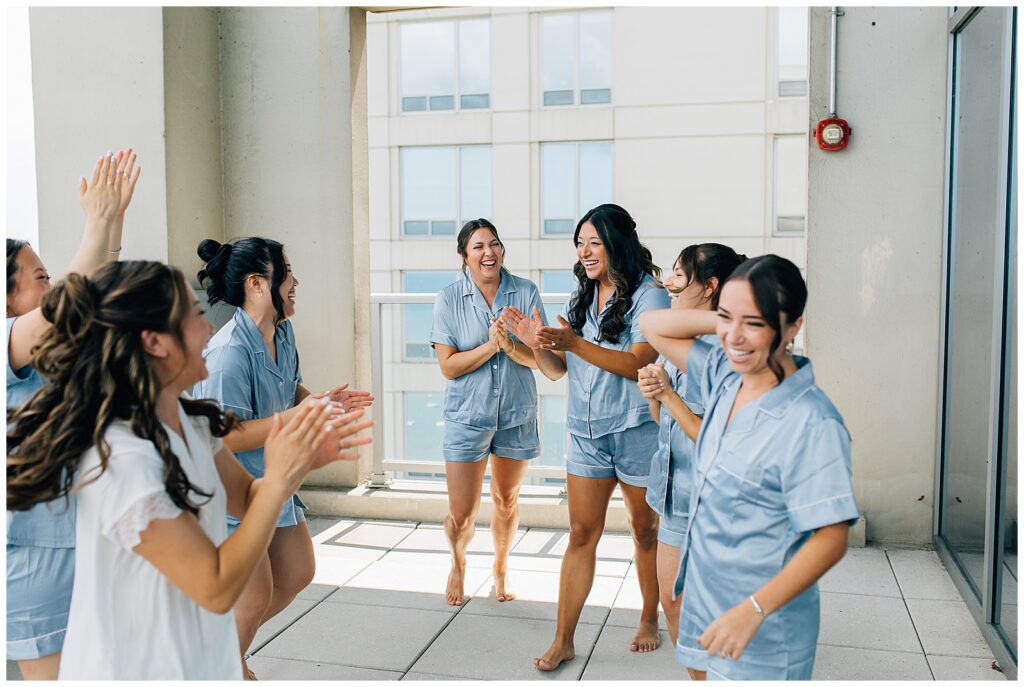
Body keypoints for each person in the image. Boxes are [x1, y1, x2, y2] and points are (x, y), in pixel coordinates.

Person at [7, 261, 367, 679]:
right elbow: (215, 587)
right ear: (155, 342)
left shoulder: (189, 420)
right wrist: (282, 476)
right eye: (195, 316)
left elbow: (250, 498)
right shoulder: (121, 459)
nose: (210, 332)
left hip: (194, 660)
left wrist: (300, 458)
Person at [639, 254, 858, 680]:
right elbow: (654, 326)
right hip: (706, 601)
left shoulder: (812, 421)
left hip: (763, 626)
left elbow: (831, 538)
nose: (734, 337)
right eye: (725, 317)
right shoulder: (725, 372)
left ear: (793, 327)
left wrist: (754, 610)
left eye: (754, 323)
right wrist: (730, 320)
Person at [192, 237, 374, 679]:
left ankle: (218, 647)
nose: (295, 282)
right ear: (257, 284)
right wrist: (298, 417)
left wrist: (323, 404)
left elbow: (289, 389)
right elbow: (223, 435)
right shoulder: (228, 353)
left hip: (273, 480)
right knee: (253, 597)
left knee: (297, 571)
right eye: (286, 273)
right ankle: (216, 664)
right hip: (230, 490)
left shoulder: (283, 330)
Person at [500, 203, 671, 670]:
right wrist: (532, 344)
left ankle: (649, 618)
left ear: (618, 244)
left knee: (644, 530)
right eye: (580, 242)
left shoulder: (651, 296)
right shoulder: (581, 299)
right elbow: (556, 371)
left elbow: (638, 362)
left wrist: (573, 342)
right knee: (580, 533)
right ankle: (564, 639)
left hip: (636, 430)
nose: (585, 250)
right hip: (586, 435)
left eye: (594, 242)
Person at [6, 149, 139, 680]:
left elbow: (94, 298)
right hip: (37, 565)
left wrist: (112, 225)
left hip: (84, 545)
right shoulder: (9, 342)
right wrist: (96, 221)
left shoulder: (51, 348)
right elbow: (70, 304)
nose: (52, 281)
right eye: (39, 275)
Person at [430, 219, 553, 606]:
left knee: (506, 499)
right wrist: (492, 346)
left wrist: (516, 347)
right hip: (467, 417)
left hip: (516, 414)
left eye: (495, 244)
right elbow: (448, 366)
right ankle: (459, 560)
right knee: (462, 514)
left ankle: (500, 566)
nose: (489, 253)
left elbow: (542, 360)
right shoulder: (449, 299)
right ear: (464, 256)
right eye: (479, 247)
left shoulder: (526, 291)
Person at [634, 243, 746, 648]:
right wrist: (654, 394)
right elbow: (664, 424)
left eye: (680, 276)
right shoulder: (681, 344)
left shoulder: (721, 351)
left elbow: (717, 437)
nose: (668, 282)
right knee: (673, 601)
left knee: (715, 611)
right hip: (676, 499)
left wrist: (668, 396)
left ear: (710, 286)